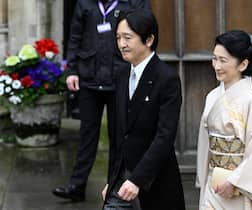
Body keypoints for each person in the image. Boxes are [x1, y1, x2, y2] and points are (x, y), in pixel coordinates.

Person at [52, 0, 151, 202]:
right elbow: (75, 38)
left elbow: (145, 31)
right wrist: (71, 70)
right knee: (87, 135)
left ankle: (113, 187)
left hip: (119, 77)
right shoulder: (84, 4)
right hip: (89, 79)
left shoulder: (131, 3)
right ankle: (76, 185)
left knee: (118, 137)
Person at [100, 9, 185, 210]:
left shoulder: (166, 78)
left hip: (154, 179)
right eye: (118, 37)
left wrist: (138, 179)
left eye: (128, 38)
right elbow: (117, 134)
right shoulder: (121, 74)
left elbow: (164, 137)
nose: (122, 44)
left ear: (148, 40)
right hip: (120, 180)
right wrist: (111, 180)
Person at [196, 30, 252, 210]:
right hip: (214, 181)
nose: (216, 66)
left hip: (239, 186)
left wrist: (234, 183)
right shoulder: (212, 96)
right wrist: (205, 176)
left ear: (243, 64)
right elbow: (204, 143)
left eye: (223, 60)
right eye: (215, 59)